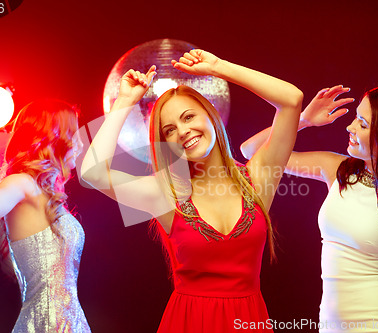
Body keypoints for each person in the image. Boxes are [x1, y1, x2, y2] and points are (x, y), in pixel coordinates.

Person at [81, 49, 303, 332]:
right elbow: (93, 173)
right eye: (169, 131)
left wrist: (220, 68)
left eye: (188, 117)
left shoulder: (258, 179)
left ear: (211, 115)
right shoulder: (164, 194)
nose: (182, 132)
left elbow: (292, 100)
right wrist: (125, 100)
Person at [241, 85, 378, 333]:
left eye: (363, 124)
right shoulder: (338, 170)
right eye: (356, 118)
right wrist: (302, 120)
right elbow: (251, 152)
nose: (350, 127)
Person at [0, 100, 91, 333]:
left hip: (70, 323)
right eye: (74, 135)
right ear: (54, 137)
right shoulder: (24, 182)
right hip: (46, 325)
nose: (81, 144)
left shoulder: (47, 192)